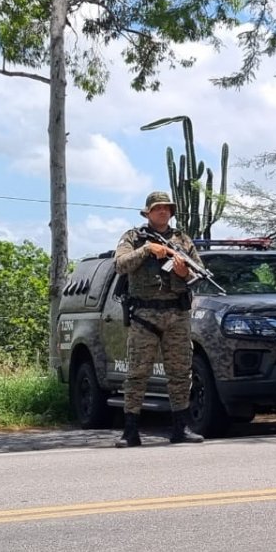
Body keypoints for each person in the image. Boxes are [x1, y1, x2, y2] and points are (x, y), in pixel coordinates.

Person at [112, 191, 206, 447]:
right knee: (137, 373)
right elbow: (120, 265)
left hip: (177, 315)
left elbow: (198, 274)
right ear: (148, 212)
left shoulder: (182, 239)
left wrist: (184, 272)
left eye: (167, 208)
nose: (163, 211)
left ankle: (181, 428)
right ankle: (130, 431)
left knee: (180, 373)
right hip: (145, 316)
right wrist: (146, 250)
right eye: (157, 208)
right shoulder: (134, 237)